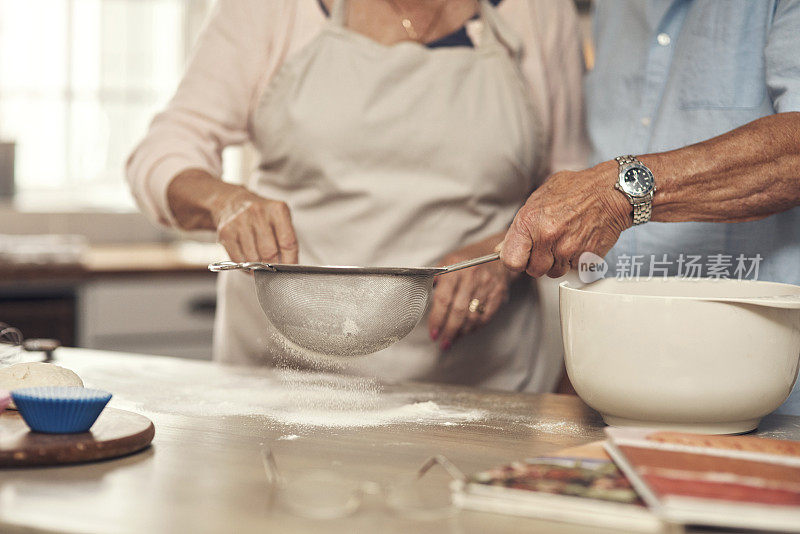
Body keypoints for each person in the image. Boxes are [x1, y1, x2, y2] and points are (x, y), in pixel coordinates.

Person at [127, 0, 586, 391]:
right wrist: (227, 202)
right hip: (278, 389)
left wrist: (502, 254)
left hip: (479, 385)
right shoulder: (270, 9)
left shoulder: (539, 11)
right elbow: (164, 150)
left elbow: (573, 188)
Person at [500, 0, 800, 409]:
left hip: (762, 381)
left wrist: (620, 192)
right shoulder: (613, 9)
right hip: (616, 377)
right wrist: (584, 364)